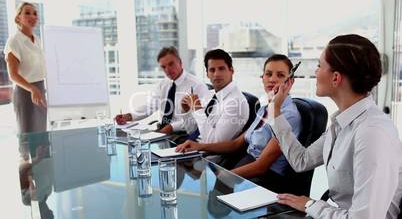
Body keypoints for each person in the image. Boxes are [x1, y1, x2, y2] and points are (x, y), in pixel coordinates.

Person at [272, 34, 402, 218]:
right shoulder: (341, 123)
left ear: (335, 78)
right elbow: (302, 161)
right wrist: (276, 109)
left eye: (319, 66)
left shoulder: (371, 133)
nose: (315, 72)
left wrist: (311, 205)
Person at [176, 54, 302, 194]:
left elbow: (262, 166)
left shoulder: (289, 116)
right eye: (268, 74)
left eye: (280, 75)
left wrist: (224, 175)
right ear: (262, 78)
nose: (272, 79)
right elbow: (236, 143)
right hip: (246, 164)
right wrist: (199, 146)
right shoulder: (265, 108)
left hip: (265, 179)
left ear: (290, 81)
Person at [115, 46, 209, 135]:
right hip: (163, 129)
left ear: (180, 62)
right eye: (163, 67)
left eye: (171, 64)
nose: (167, 69)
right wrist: (128, 116)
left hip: (184, 134)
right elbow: (150, 106)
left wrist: (171, 127)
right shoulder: (163, 84)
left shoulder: (197, 85)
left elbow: (199, 119)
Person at [180, 49, 249, 143]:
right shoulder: (210, 95)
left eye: (221, 68)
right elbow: (192, 131)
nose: (216, 74)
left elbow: (214, 142)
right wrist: (186, 111)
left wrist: (197, 108)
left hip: (208, 155)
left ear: (231, 70)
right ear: (207, 74)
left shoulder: (236, 103)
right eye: (212, 70)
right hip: (192, 146)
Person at [4, 2, 47, 134]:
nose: (32, 16)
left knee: (41, 131)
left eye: (35, 13)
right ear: (18, 18)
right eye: (27, 13)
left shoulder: (37, 40)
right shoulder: (14, 41)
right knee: (27, 133)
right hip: (25, 91)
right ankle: (25, 156)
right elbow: (13, 75)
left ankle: (41, 156)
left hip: (40, 89)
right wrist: (32, 88)